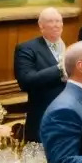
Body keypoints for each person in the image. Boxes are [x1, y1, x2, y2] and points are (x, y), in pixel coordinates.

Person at [14, 7, 68, 142]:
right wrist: (61, 69)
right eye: (50, 21)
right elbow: (26, 81)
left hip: (69, 116)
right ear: (41, 26)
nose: (56, 25)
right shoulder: (26, 48)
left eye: (58, 21)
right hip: (43, 117)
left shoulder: (70, 47)